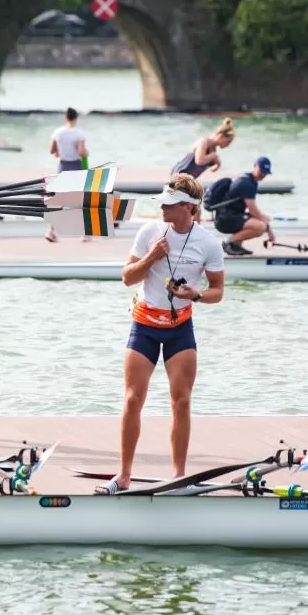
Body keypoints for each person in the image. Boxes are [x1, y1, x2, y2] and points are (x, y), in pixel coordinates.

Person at [95, 173, 226, 494]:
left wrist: (194, 295)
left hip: (180, 329)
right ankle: (123, 476)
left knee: (181, 402)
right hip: (144, 327)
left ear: (187, 207)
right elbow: (127, 277)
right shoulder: (150, 231)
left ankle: (178, 477)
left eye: (169, 205)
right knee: (132, 399)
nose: (162, 210)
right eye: (162, 204)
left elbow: (218, 291)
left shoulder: (208, 243)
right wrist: (152, 256)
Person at [206, 156, 275, 256]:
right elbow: (252, 210)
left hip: (231, 216)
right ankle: (228, 242)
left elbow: (254, 211)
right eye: (261, 171)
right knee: (261, 226)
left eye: (265, 172)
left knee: (266, 219)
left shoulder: (251, 180)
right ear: (255, 166)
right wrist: (269, 230)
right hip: (225, 219)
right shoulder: (246, 183)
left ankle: (236, 245)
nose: (263, 174)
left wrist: (267, 224)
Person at [46, 107, 89, 242]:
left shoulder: (58, 132)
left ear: (66, 117)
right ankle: (84, 233)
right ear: (76, 118)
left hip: (62, 166)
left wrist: (61, 150)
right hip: (75, 166)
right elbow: (81, 153)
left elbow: (52, 149)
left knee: (58, 200)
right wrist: (86, 153)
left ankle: (51, 231)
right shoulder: (79, 134)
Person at [169, 118, 235, 179]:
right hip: (179, 174)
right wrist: (213, 156)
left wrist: (217, 164)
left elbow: (213, 161)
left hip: (189, 178)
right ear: (221, 136)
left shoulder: (213, 148)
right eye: (228, 141)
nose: (228, 145)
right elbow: (199, 161)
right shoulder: (204, 142)